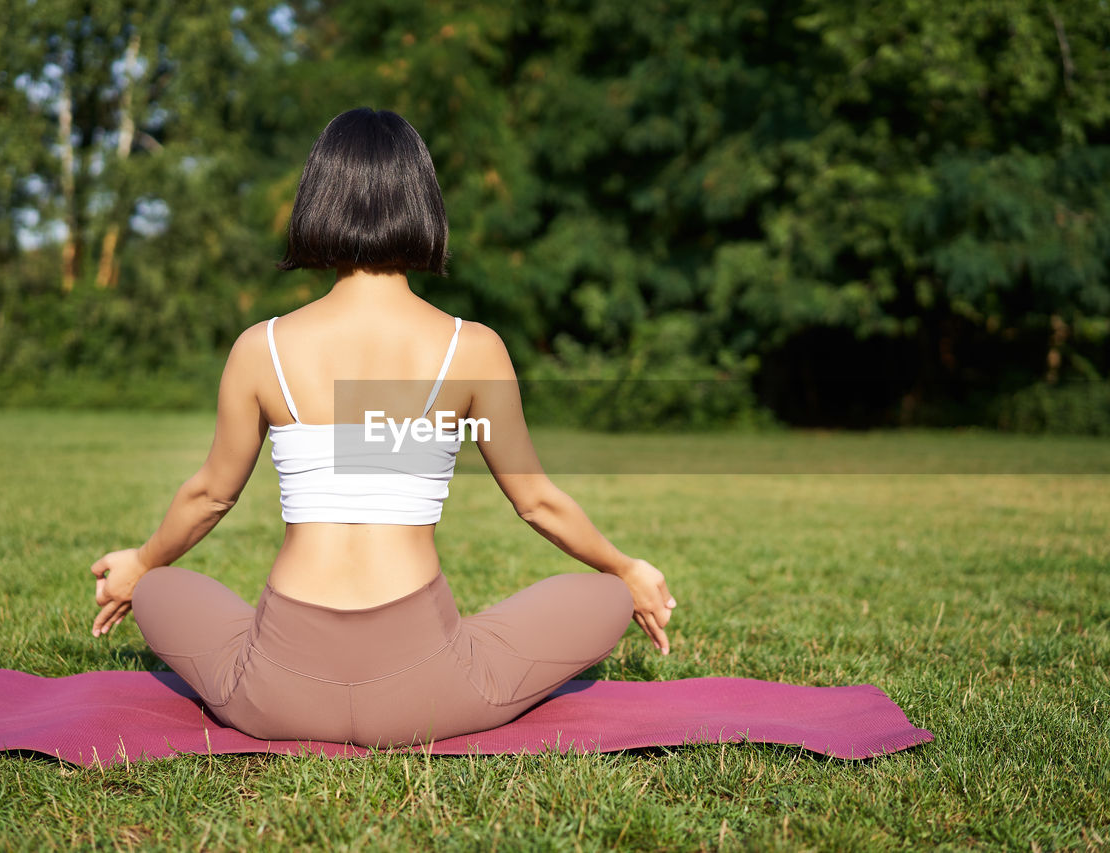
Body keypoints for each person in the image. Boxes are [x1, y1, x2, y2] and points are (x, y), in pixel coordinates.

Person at [89, 107, 676, 746]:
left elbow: (210, 495)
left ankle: (163, 587)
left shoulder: (263, 348)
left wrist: (141, 563)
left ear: (317, 200)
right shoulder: (472, 348)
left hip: (274, 693)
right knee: (607, 597)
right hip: (427, 693)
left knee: (161, 588)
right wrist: (627, 570)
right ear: (422, 202)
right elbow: (536, 503)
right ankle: (509, 630)